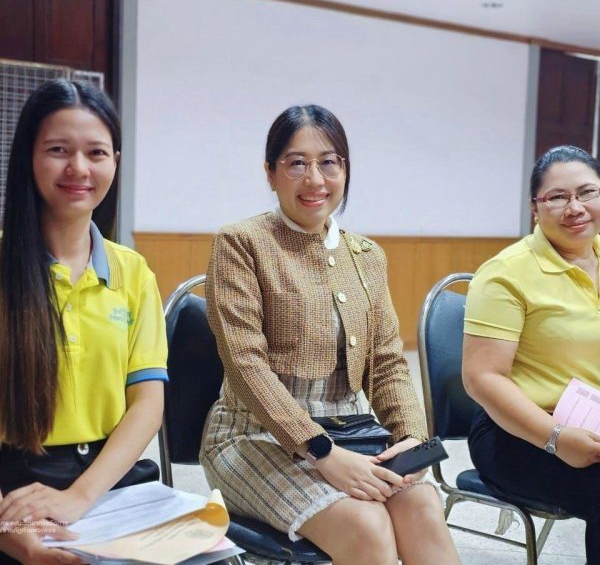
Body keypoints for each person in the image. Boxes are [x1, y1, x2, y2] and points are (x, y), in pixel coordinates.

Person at [200, 105, 461, 565]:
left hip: (353, 431)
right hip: (253, 436)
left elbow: (387, 363)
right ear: (270, 173)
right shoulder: (241, 243)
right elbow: (245, 365)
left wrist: (411, 437)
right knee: (367, 525)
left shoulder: (367, 255)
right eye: (296, 163)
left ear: (345, 170)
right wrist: (321, 450)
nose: (315, 179)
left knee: (421, 505)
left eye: (329, 162)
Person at [0, 79, 168, 564]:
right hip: (15, 486)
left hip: (108, 481)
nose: (78, 168)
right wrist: (6, 528)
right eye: (58, 150)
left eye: (96, 152)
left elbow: (146, 404)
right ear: (28, 157)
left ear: (115, 160)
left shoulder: (132, 272)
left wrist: (79, 497)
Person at [463, 145, 600, 565]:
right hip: (521, 432)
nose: (575, 207)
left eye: (587, 192)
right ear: (535, 208)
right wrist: (556, 438)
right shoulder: (507, 273)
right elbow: (483, 378)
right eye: (557, 197)